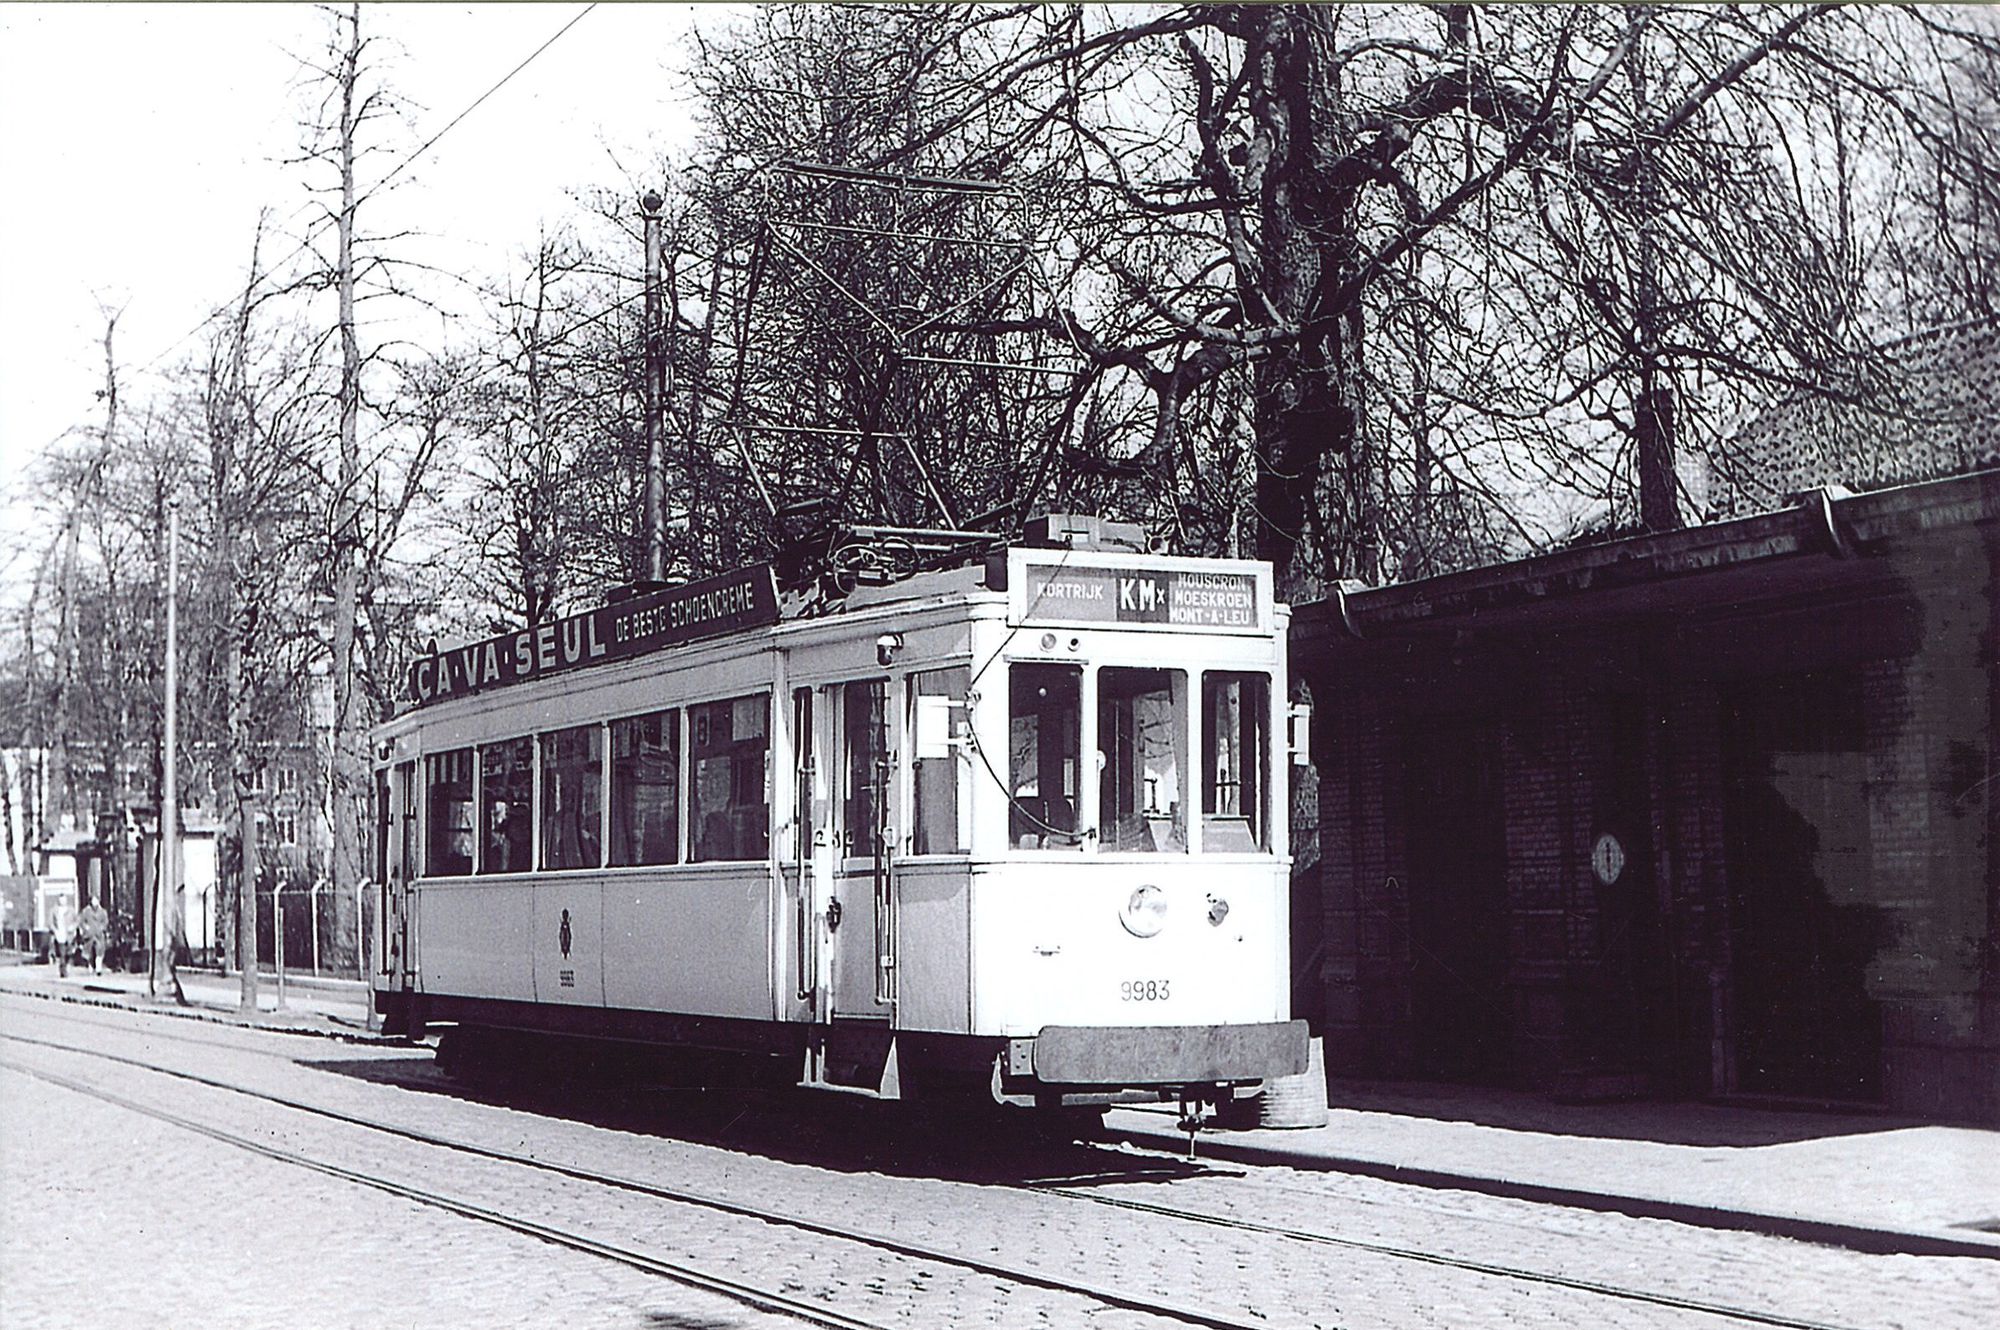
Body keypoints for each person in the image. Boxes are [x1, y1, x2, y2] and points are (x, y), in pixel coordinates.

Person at [77, 898, 109, 974]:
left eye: (96, 900)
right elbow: (81, 921)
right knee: (89, 951)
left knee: (99, 950)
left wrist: (102, 927)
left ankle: (98, 968)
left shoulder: (103, 912)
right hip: (89, 935)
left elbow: (105, 922)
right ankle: (90, 966)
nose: (94, 902)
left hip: (99, 935)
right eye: (93, 900)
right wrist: (86, 928)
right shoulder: (86, 911)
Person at [48, 899, 76, 978]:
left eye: (64, 900)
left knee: (68, 953)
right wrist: (54, 930)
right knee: (62, 953)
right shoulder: (54, 910)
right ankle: (63, 971)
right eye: (61, 900)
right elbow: (50, 922)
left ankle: (65, 966)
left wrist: (73, 927)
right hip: (59, 934)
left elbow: (76, 920)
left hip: (69, 935)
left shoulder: (71, 910)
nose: (62, 901)